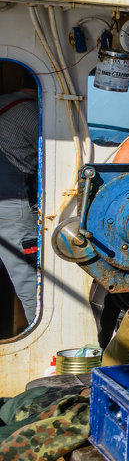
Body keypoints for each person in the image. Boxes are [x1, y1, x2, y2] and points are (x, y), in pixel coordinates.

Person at [0, 70, 39, 327]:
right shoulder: (33, 112)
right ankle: (41, 337)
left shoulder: (3, 101)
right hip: (12, 204)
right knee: (30, 282)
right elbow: (60, 157)